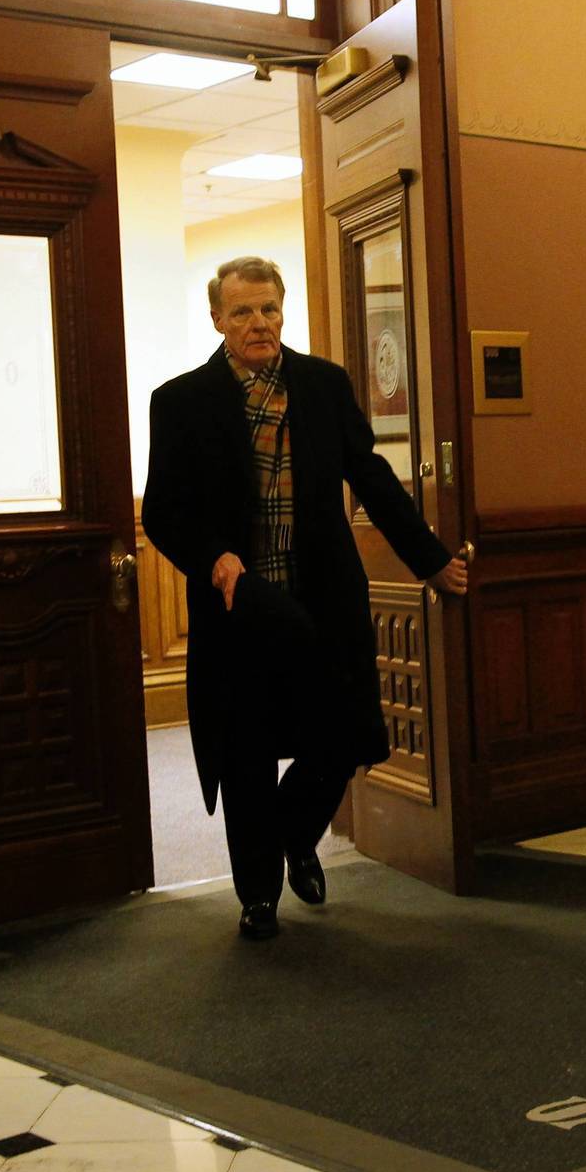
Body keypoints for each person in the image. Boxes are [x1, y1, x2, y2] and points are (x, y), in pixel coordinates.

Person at [143, 256, 470, 940]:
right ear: (217, 320)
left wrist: (431, 560)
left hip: (323, 600)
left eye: (268, 309)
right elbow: (164, 513)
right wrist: (212, 556)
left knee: (340, 737)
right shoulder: (179, 401)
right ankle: (258, 896)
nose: (258, 323)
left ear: (282, 310)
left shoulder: (322, 385)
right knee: (247, 752)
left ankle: (295, 836)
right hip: (240, 609)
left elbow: (373, 478)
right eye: (242, 312)